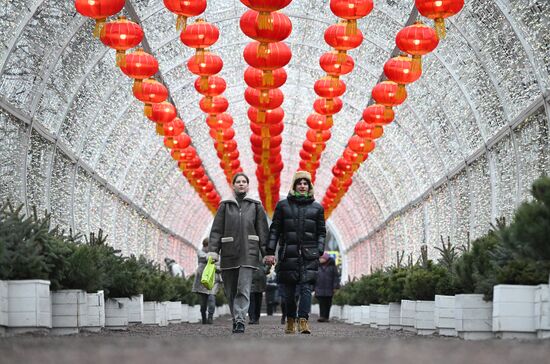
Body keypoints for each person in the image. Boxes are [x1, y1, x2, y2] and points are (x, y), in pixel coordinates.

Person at [264, 170, 326, 335]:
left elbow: (321, 232)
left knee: (306, 289)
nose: (302, 186)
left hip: (309, 255)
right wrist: (270, 251)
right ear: (294, 185)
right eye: (299, 183)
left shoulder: (317, 208)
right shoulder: (283, 206)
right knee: (289, 292)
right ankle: (290, 320)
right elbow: (275, 230)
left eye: (305, 183)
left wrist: (319, 249)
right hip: (288, 254)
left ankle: (303, 321)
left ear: (309, 186)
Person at [208, 172, 269, 334]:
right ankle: (236, 319)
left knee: (243, 288)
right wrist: (213, 251)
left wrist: (267, 253)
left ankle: (241, 320)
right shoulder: (225, 206)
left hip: (249, 254)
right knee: (231, 290)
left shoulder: (256, 206)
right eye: (238, 182)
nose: (241, 184)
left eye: (244, 182)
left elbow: (263, 232)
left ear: (248, 186)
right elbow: (216, 231)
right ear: (233, 185)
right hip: (228, 254)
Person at [192, 238, 220, 324]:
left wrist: (217, 268)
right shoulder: (201, 253)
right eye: (209, 246)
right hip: (202, 280)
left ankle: (210, 317)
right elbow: (204, 257)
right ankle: (204, 317)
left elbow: (219, 266)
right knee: (203, 302)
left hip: (213, 280)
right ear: (205, 245)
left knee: (212, 298)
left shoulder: (216, 255)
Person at [314, 252, 340, 322]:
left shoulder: (332, 267)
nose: (320, 259)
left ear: (325, 258)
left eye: (321, 258)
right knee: (321, 303)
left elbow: (336, 277)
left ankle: (326, 317)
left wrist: (335, 287)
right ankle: (322, 316)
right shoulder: (317, 266)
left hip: (329, 288)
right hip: (319, 288)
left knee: (328, 303)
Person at [248, 260, 268, 324]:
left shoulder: (262, 251)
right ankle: (252, 318)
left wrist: (264, 270)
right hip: (250, 278)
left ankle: (256, 318)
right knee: (251, 299)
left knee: (258, 301)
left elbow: (268, 262)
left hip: (260, 281)